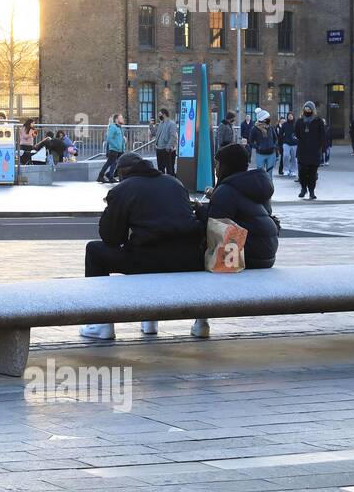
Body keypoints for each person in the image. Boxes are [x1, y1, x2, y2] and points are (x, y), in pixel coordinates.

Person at [79, 153, 204, 340]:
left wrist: (111, 208)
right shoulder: (174, 183)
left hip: (147, 260)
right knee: (156, 248)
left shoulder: (124, 189)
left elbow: (111, 237)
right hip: (188, 259)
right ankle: (189, 322)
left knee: (95, 251)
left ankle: (101, 323)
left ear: (122, 172)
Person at [200, 144, 279, 269]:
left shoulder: (226, 190)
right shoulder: (254, 184)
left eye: (218, 164)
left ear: (226, 166)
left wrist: (200, 210)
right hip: (267, 254)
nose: (215, 168)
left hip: (249, 255)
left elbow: (214, 224)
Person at [294, 101, 326, 199]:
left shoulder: (318, 121)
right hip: (302, 151)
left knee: (312, 173)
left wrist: (320, 147)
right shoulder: (299, 121)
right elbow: (296, 134)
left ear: (312, 110)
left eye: (309, 109)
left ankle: (311, 191)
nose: (307, 110)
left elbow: (322, 136)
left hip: (314, 151)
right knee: (302, 172)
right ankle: (303, 188)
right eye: (306, 109)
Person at [97, 113, 125, 183]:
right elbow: (109, 138)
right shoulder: (113, 127)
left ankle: (109, 175)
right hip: (114, 149)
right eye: (121, 118)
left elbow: (119, 138)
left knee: (115, 163)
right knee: (110, 162)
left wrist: (122, 145)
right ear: (116, 119)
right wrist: (116, 146)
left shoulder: (120, 128)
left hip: (119, 150)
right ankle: (102, 176)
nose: (122, 119)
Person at [248, 108, 278, 173]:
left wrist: (274, 146)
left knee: (269, 173)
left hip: (271, 153)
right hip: (260, 154)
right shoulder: (255, 129)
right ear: (263, 119)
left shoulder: (270, 127)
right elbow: (250, 141)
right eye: (267, 118)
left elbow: (275, 138)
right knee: (260, 173)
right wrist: (258, 147)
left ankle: (270, 183)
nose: (269, 119)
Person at [154, 108, 178, 176]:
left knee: (169, 169)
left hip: (167, 149)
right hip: (159, 149)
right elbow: (156, 133)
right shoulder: (160, 124)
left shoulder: (172, 124)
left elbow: (173, 136)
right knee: (160, 169)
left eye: (160, 114)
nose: (159, 116)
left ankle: (171, 184)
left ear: (164, 114)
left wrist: (168, 146)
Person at [278, 112, 298, 179]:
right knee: (285, 155)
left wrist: (296, 137)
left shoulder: (296, 124)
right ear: (287, 117)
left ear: (293, 116)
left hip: (294, 143)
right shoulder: (285, 124)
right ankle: (286, 170)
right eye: (289, 116)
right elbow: (280, 134)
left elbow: (299, 133)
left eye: (291, 116)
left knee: (293, 158)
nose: (290, 117)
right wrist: (283, 138)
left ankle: (293, 171)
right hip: (286, 143)